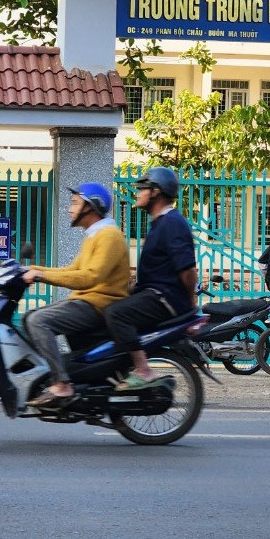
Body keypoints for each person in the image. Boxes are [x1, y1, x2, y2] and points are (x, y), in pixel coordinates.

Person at [23, 183, 130, 407]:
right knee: (30, 316)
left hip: (98, 304)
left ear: (91, 207)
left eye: (75, 203)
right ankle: (65, 375)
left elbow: (90, 277)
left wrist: (40, 275)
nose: (69, 209)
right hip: (87, 301)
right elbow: (73, 270)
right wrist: (32, 270)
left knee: (38, 321)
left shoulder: (109, 235)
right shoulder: (95, 235)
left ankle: (61, 384)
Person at [103, 167, 198, 392]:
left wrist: (190, 302)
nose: (137, 193)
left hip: (166, 299)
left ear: (156, 192)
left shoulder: (172, 223)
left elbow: (187, 269)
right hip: (154, 294)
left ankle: (143, 371)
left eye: (142, 188)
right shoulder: (159, 223)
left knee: (115, 314)